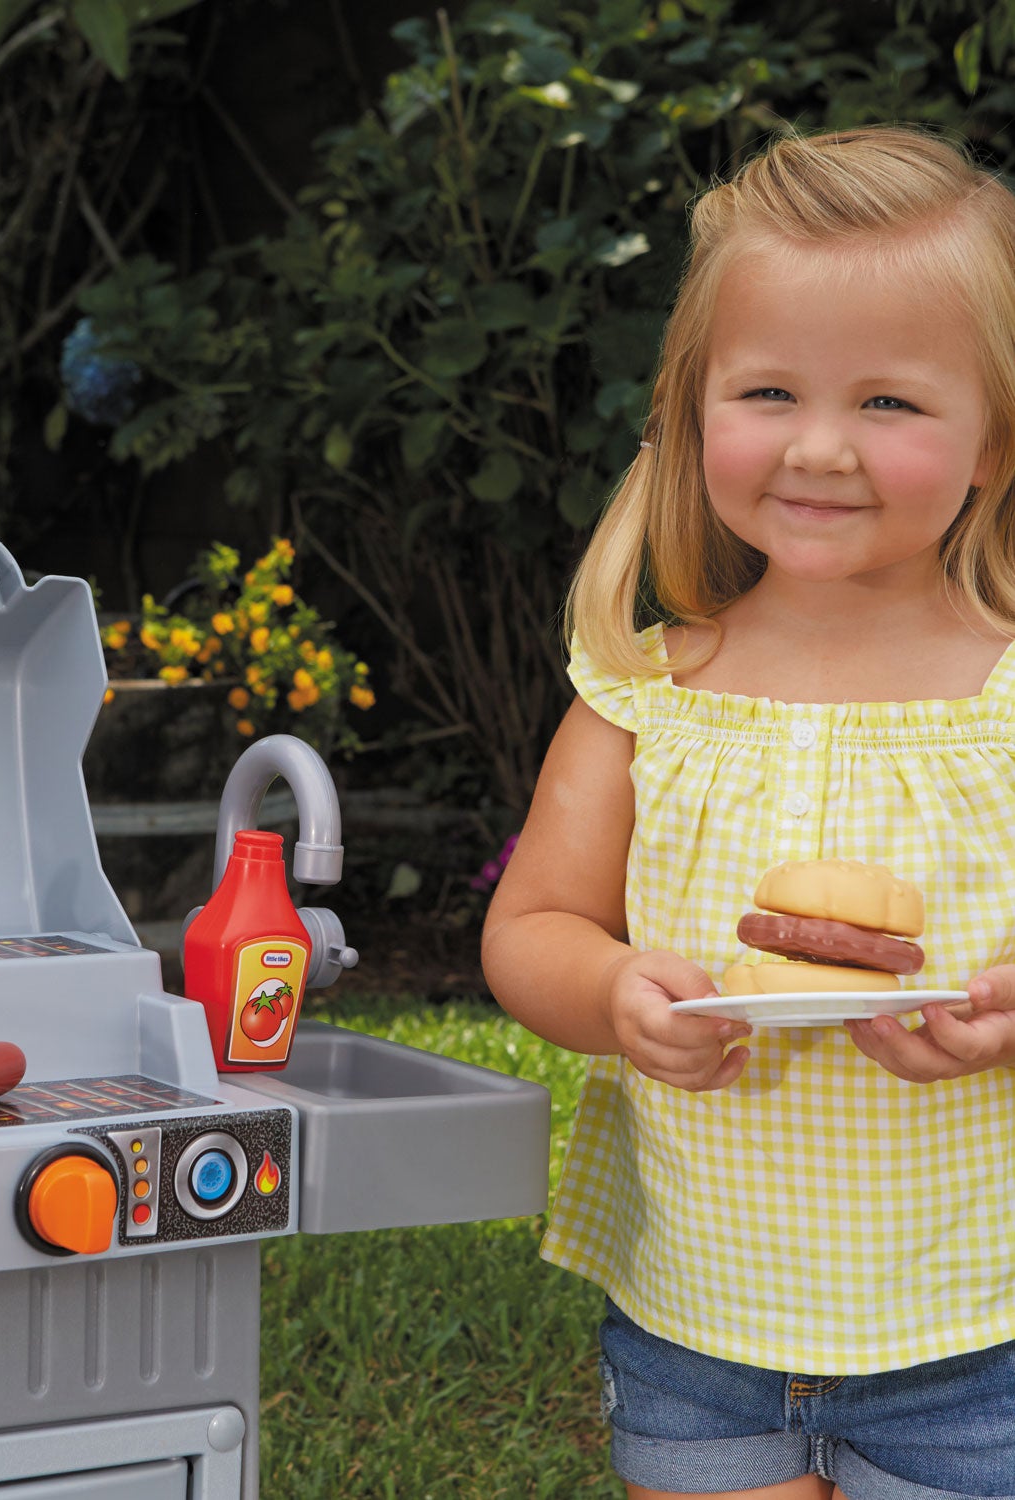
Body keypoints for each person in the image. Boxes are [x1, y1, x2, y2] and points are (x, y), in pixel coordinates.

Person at [481, 125, 1015, 1500]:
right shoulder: (644, 691)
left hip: (984, 1329)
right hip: (698, 1324)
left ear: (996, 444)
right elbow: (532, 926)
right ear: (691, 411)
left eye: (890, 403)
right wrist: (613, 995)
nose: (821, 447)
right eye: (769, 391)